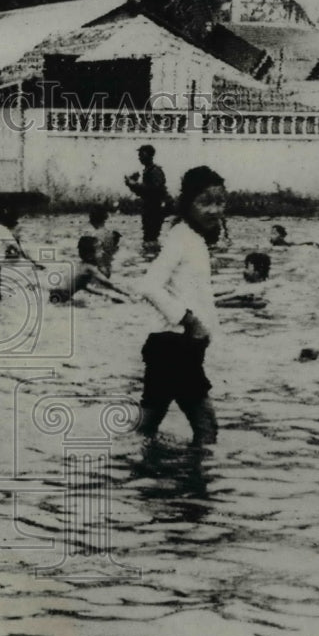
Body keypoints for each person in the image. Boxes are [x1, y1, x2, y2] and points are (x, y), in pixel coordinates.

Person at [134, 166, 226, 447]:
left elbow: (191, 291)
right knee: (207, 427)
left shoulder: (193, 239)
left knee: (147, 424)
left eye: (220, 202)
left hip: (174, 347)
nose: (214, 210)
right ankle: (198, 484)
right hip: (175, 346)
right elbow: (149, 286)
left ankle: (137, 471)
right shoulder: (180, 238)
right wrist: (191, 321)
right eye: (205, 202)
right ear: (188, 204)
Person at [49, 236, 131, 304]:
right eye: (99, 250)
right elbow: (110, 285)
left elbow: (83, 286)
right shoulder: (89, 268)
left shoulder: (78, 266)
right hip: (63, 296)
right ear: (90, 256)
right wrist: (130, 295)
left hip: (56, 293)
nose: (102, 252)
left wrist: (108, 297)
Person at [124, 144, 174, 248]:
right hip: (149, 207)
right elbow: (143, 192)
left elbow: (154, 190)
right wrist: (131, 184)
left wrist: (134, 184)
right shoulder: (147, 170)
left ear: (149, 156)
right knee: (148, 235)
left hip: (155, 208)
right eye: (139, 155)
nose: (140, 157)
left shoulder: (155, 171)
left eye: (142, 155)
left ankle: (153, 255)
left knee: (151, 236)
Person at [85, 203, 121, 277]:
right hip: (109, 268)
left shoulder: (92, 236)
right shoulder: (112, 234)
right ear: (105, 218)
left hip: (97, 270)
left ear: (91, 220)